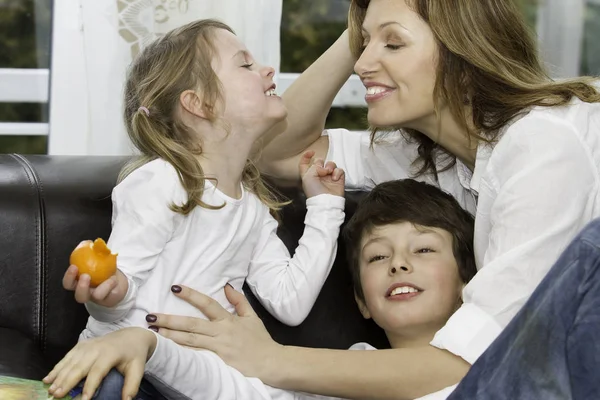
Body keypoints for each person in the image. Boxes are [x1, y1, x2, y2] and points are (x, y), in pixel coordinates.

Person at [50, 0, 600, 398]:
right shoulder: (438, 158)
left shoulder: (541, 147)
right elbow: (274, 150)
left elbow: (464, 363)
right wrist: (363, 22)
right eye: (364, 44)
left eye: (393, 43)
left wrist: (272, 360)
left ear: (461, 54)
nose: (362, 65)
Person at [51, 18, 347, 399]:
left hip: (195, 379)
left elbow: (290, 303)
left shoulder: (252, 210)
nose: (267, 70)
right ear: (199, 103)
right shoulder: (161, 182)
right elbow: (117, 303)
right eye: (245, 64)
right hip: (128, 374)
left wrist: (325, 205)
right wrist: (109, 292)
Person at [45, 178, 479, 400]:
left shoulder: (498, 348)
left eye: (423, 249)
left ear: (471, 282)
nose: (399, 263)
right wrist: (148, 343)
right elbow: (237, 392)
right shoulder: (338, 374)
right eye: (378, 257)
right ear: (361, 302)